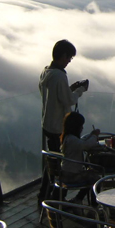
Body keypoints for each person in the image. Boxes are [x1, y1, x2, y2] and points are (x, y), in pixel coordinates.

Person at [39, 39, 88, 204]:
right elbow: (67, 101)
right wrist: (80, 90)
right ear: (63, 55)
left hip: (47, 123)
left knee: (52, 162)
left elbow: (55, 96)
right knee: (62, 166)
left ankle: (44, 194)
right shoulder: (59, 76)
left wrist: (71, 88)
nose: (69, 61)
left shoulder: (46, 72)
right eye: (69, 57)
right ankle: (56, 197)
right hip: (58, 126)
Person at [60, 111, 101, 203]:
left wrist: (91, 135)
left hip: (65, 173)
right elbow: (86, 145)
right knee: (96, 179)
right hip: (71, 176)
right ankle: (90, 204)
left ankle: (79, 199)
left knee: (91, 175)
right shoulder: (72, 140)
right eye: (81, 126)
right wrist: (94, 136)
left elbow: (82, 142)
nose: (82, 128)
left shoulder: (68, 138)